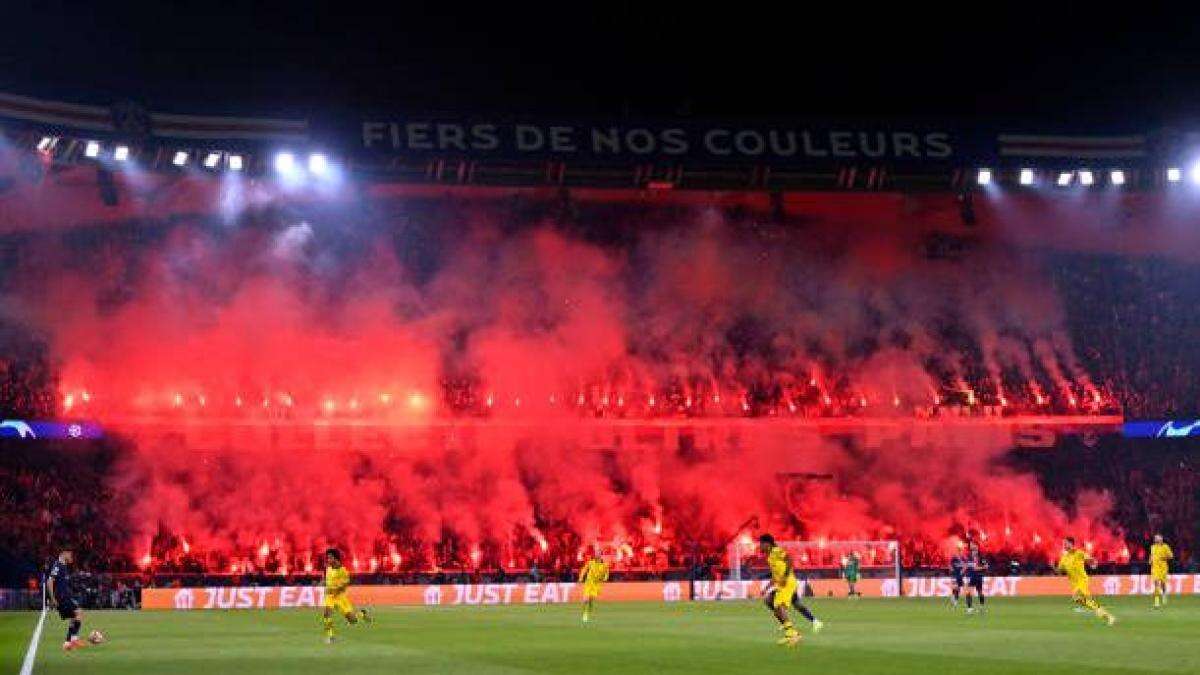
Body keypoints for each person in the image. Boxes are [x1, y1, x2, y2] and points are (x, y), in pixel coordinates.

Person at [1055, 537, 1115, 626]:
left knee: (1077, 596)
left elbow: (1089, 559)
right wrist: (1053, 567)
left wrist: (1093, 562)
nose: (1064, 545)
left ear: (1071, 544)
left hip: (1082, 580)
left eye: (1066, 543)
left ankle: (1102, 612)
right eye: (1063, 544)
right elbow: (1059, 571)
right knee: (1079, 599)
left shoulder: (1079, 553)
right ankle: (1106, 615)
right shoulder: (1064, 558)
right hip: (1074, 583)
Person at [321, 548, 372, 643]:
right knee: (326, 614)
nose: (328, 560)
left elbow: (344, 586)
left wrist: (334, 589)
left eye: (330, 558)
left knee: (353, 620)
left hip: (340, 598)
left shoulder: (343, 571)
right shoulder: (328, 568)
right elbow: (326, 579)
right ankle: (331, 637)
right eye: (327, 558)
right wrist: (324, 583)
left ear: (336, 559)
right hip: (330, 597)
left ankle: (362, 614)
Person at [759, 534, 801, 647]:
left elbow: (789, 560)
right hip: (780, 584)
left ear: (767, 544)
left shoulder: (777, 550)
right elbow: (775, 576)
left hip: (787, 583)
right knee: (768, 600)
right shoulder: (769, 557)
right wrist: (766, 588)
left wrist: (786, 576)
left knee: (778, 606)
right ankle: (791, 631)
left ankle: (792, 634)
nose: (760, 546)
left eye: (761, 544)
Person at [47, 549, 88, 651]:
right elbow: (49, 581)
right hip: (61, 597)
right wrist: (52, 598)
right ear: (64, 553)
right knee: (78, 612)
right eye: (70, 554)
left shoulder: (63, 566)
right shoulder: (58, 565)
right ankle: (74, 640)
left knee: (73, 617)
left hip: (65, 596)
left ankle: (67, 643)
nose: (71, 557)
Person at [578, 553, 609, 623]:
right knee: (586, 599)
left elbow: (607, 573)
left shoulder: (604, 565)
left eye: (599, 556)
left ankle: (588, 612)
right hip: (589, 583)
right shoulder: (591, 563)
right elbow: (584, 569)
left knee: (590, 600)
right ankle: (584, 614)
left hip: (597, 585)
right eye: (596, 556)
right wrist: (581, 577)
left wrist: (605, 578)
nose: (597, 557)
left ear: (601, 557)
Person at [1149, 534, 1174, 609]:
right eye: (1155, 538)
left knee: (1163, 583)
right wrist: (1150, 560)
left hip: (1163, 567)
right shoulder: (1152, 547)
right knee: (1156, 583)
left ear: (1161, 539)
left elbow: (1171, 556)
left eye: (1157, 538)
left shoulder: (1165, 546)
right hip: (1155, 567)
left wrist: (1163, 557)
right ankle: (1156, 603)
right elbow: (1152, 555)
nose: (1156, 539)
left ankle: (1164, 594)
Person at [962, 542, 987, 614]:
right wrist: (963, 571)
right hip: (972, 576)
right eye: (972, 546)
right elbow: (966, 565)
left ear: (977, 548)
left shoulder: (981, 557)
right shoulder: (969, 557)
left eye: (974, 546)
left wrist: (979, 568)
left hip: (978, 576)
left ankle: (978, 608)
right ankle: (971, 609)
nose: (972, 547)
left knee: (979, 592)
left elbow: (986, 566)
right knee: (970, 592)